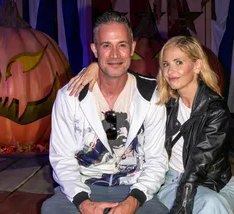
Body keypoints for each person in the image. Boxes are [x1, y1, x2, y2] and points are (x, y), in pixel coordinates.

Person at [68, 36, 234, 214]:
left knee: (211, 204)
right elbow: (130, 77)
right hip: (172, 182)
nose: (171, 71)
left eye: (179, 62)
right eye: (166, 64)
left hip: (213, 185)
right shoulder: (165, 101)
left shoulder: (215, 110)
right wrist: (97, 67)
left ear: (197, 65)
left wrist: (182, 205)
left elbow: (198, 165)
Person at [42, 11, 169, 214]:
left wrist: (132, 203)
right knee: (51, 210)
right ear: (94, 49)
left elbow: (156, 160)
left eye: (122, 45)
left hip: (133, 188)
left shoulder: (151, 96)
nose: (115, 54)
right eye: (106, 46)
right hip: (83, 189)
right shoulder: (69, 97)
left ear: (132, 48)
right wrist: (84, 204)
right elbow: (62, 159)